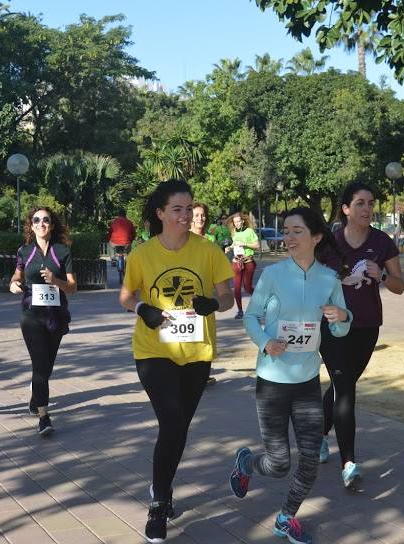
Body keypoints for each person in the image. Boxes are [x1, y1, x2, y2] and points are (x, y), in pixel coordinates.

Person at [120, 179, 234, 543]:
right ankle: (159, 503)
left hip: (197, 353)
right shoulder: (142, 254)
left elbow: (228, 296)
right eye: (177, 210)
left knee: (179, 427)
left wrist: (213, 304)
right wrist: (143, 309)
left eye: (189, 209)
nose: (185, 216)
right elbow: (125, 296)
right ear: (161, 213)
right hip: (153, 351)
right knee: (171, 421)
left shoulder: (209, 251)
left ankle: (161, 488)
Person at [229, 207, 351, 544]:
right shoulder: (272, 275)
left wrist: (342, 315)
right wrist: (267, 342)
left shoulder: (328, 278)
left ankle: (286, 517)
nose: (289, 237)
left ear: (316, 237)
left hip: (308, 381)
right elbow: (251, 317)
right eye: (286, 230)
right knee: (279, 463)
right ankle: (247, 463)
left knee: (310, 459)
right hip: (272, 381)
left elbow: (340, 330)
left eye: (298, 231)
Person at [316, 182, 404, 487]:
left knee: (343, 384)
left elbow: (399, 285)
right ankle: (349, 463)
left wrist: (380, 275)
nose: (367, 209)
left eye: (370, 203)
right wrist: (341, 278)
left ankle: (318, 435)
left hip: (367, 326)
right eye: (359, 203)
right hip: (332, 325)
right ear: (345, 209)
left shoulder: (382, 242)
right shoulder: (328, 242)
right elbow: (311, 281)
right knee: (345, 389)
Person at [9, 207, 77, 437]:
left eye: (45, 220)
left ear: (52, 224)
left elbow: (73, 287)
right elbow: (17, 274)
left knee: (46, 366)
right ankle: (44, 417)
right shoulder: (25, 251)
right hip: (31, 315)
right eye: (36, 220)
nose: (41, 224)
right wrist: (14, 283)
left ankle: (35, 398)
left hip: (55, 315)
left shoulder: (62, 251)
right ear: (31, 225)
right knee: (39, 365)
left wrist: (55, 280)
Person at [190, 202, 221, 386]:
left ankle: (203, 373)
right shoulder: (183, 241)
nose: (200, 218)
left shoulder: (209, 242)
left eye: (202, 215)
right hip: (186, 295)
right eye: (196, 215)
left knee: (206, 334)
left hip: (205, 294)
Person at [225, 212, 260, 319]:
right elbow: (234, 243)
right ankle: (240, 310)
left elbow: (257, 245)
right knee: (236, 288)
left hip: (248, 262)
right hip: (236, 262)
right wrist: (229, 248)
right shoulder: (233, 231)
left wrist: (245, 244)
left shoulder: (249, 231)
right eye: (235, 222)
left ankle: (260, 304)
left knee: (248, 288)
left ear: (242, 221)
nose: (237, 224)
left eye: (238, 221)